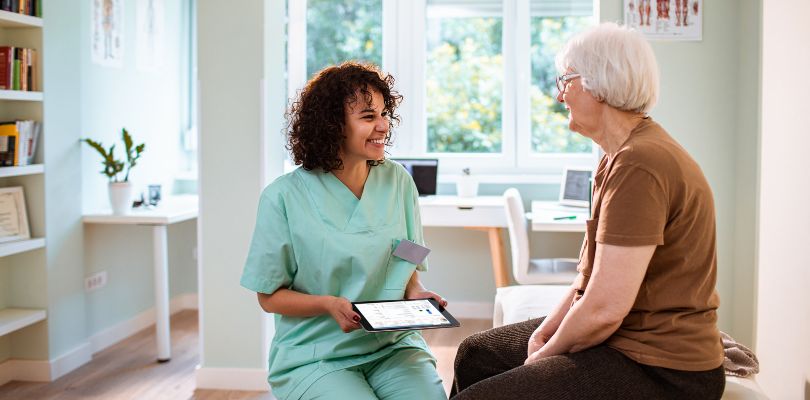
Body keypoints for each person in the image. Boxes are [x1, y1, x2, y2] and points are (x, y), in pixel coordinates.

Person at [451, 23, 725, 400]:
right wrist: (543, 332)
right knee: (475, 353)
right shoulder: (615, 158)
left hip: (662, 368)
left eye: (566, 79)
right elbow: (588, 282)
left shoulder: (640, 164)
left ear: (599, 82)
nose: (560, 94)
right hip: (624, 341)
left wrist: (544, 357)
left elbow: (605, 309)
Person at [240, 62, 448, 400]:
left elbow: (407, 251)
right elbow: (268, 296)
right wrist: (328, 305)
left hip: (393, 346)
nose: (383, 126)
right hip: (315, 354)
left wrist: (416, 290)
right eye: (368, 117)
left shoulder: (398, 181)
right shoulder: (283, 198)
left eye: (384, 114)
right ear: (333, 126)